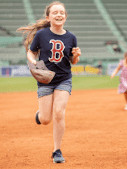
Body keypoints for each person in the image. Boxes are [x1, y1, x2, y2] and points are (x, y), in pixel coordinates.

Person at [17, 1, 81, 163]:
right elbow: (31, 53)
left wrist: (77, 55)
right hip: (45, 80)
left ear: (65, 17)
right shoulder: (42, 35)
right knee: (46, 119)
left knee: (59, 112)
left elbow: (73, 61)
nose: (59, 15)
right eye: (55, 12)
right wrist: (33, 63)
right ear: (48, 17)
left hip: (64, 79)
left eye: (62, 12)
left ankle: (56, 151)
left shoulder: (71, 37)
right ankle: (40, 115)